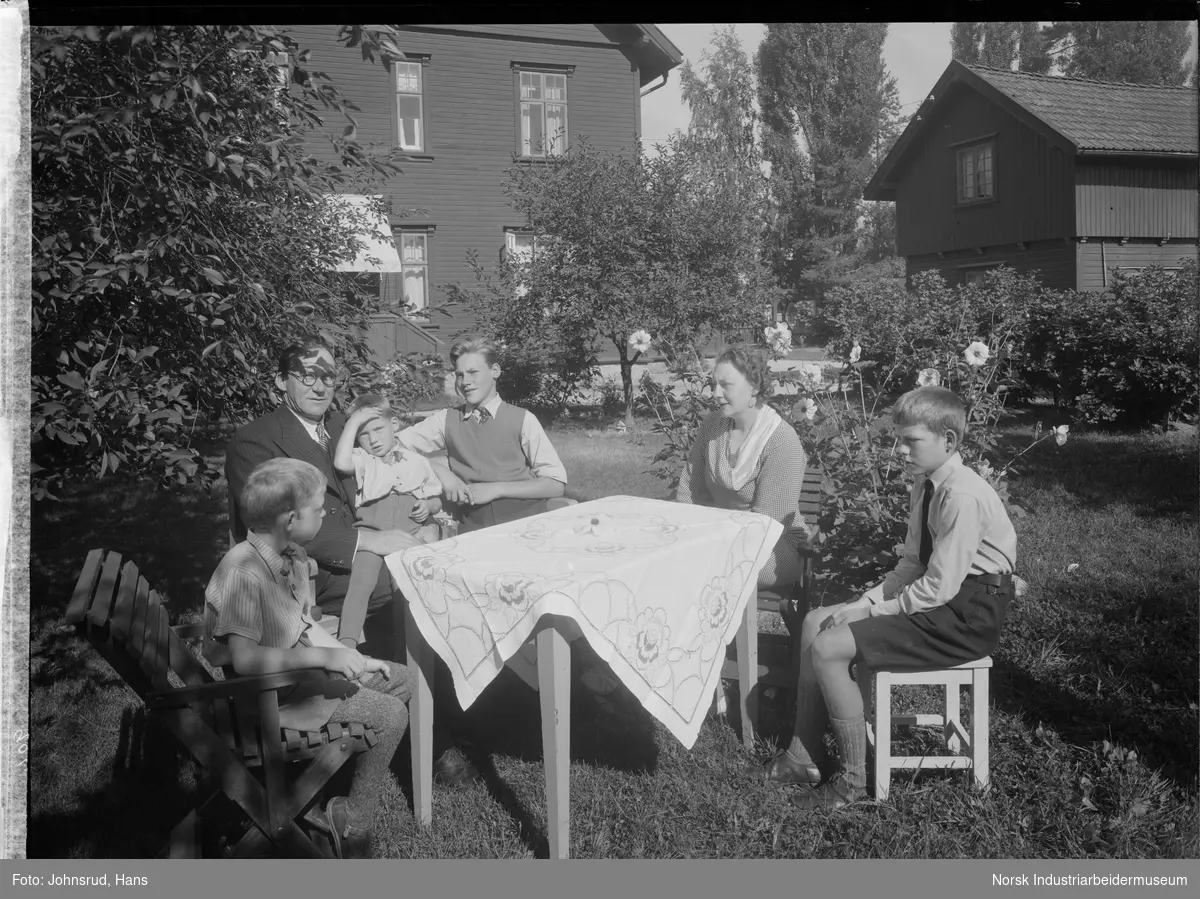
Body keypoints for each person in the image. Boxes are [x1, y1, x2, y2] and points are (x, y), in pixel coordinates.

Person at [224, 341, 481, 787]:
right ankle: (426, 738)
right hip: (307, 572)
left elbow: (397, 449)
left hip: (364, 543)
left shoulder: (344, 425)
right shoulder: (255, 439)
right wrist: (371, 540)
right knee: (402, 587)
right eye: (306, 374)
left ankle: (439, 707)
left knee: (443, 576)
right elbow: (276, 522)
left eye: (327, 375)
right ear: (280, 380)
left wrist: (441, 473)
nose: (319, 384)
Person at [755, 386, 1017, 811]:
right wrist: (864, 602)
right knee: (813, 623)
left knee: (828, 646)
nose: (899, 449)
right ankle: (804, 757)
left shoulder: (962, 496)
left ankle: (853, 782)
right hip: (938, 601)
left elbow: (940, 587)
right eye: (898, 439)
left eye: (911, 440)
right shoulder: (927, 483)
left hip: (966, 615)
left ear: (948, 442)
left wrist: (871, 612)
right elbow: (912, 564)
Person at [203, 458, 415, 858]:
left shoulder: (292, 554)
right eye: (318, 509)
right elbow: (245, 661)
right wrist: (324, 659)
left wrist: (347, 656)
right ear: (290, 518)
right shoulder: (244, 573)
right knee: (391, 714)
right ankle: (350, 819)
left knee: (406, 679)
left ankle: (334, 778)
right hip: (269, 700)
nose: (325, 513)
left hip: (297, 679)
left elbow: (300, 624)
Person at [396, 336, 568, 532]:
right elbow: (394, 445)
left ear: (495, 371)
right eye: (459, 375)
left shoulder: (522, 419)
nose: (465, 382)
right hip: (474, 525)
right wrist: (439, 470)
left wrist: (496, 489)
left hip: (525, 521)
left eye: (473, 373)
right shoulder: (446, 419)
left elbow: (555, 484)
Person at [675, 345, 809, 590]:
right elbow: (690, 492)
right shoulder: (713, 425)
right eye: (714, 384)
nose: (715, 393)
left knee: (706, 564)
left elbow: (768, 523)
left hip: (774, 549)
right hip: (718, 537)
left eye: (725, 385)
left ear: (754, 388)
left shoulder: (780, 441)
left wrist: (711, 537)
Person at [331, 393, 445, 647]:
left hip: (410, 536)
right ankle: (346, 645)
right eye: (364, 433)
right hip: (373, 535)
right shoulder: (362, 460)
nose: (373, 439)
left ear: (394, 425)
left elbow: (436, 499)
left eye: (379, 429)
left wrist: (427, 506)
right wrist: (352, 423)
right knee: (361, 584)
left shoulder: (418, 462)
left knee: (406, 590)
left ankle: (409, 648)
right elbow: (340, 462)